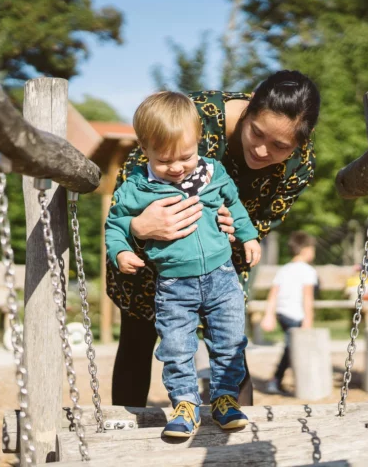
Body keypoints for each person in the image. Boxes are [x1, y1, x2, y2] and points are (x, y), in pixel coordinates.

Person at [107, 71, 320, 408]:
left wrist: (240, 231)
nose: (262, 150)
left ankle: (235, 447)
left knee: (230, 341)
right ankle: (123, 437)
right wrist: (138, 227)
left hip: (222, 256)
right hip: (151, 255)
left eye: (280, 146)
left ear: (300, 143)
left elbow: (264, 219)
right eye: (257, 132)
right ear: (249, 105)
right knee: (139, 335)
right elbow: (131, 182)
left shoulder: (300, 166)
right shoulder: (190, 117)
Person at [105, 91, 262, 436]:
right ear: (144, 150)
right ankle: (184, 404)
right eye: (164, 161)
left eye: (185, 156)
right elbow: (115, 226)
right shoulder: (137, 188)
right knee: (176, 347)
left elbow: (235, 205)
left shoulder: (213, 172)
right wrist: (121, 252)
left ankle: (224, 399)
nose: (176, 167)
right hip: (174, 286)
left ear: (198, 142)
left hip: (222, 276)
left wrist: (248, 236)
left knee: (230, 340)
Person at [259, 231, 318, 395]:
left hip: (282, 313)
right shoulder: (308, 271)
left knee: (291, 347)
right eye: (312, 249)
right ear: (306, 250)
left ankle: (290, 380)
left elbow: (273, 294)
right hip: (296, 315)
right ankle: (277, 380)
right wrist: (308, 320)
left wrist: (269, 315)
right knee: (292, 348)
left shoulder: (284, 269)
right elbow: (308, 298)